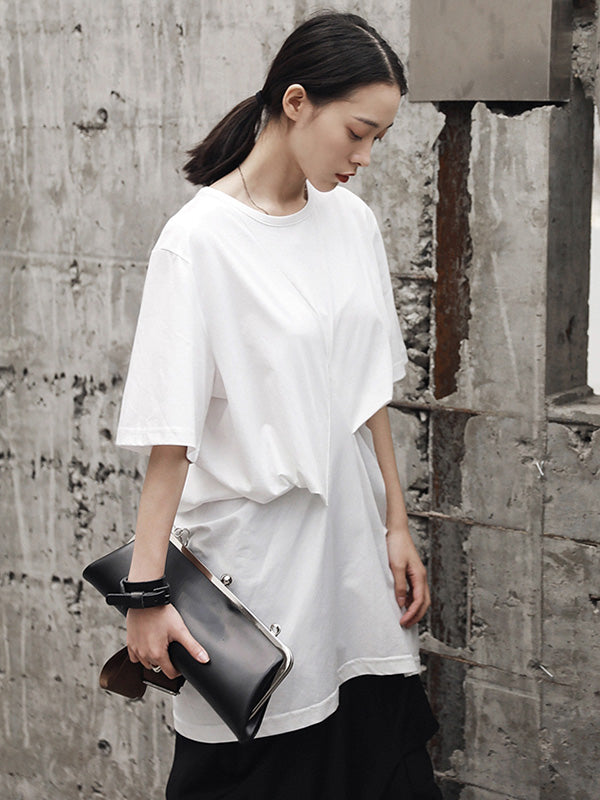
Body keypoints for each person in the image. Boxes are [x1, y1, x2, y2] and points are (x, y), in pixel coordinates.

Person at [115, 10, 442, 800]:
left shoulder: (352, 223)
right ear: (296, 102)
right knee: (262, 774)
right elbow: (171, 436)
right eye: (357, 133)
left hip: (352, 553)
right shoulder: (199, 242)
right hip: (257, 568)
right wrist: (146, 596)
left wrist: (395, 523)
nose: (365, 158)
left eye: (379, 139)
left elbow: (368, 389)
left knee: (379, 764)